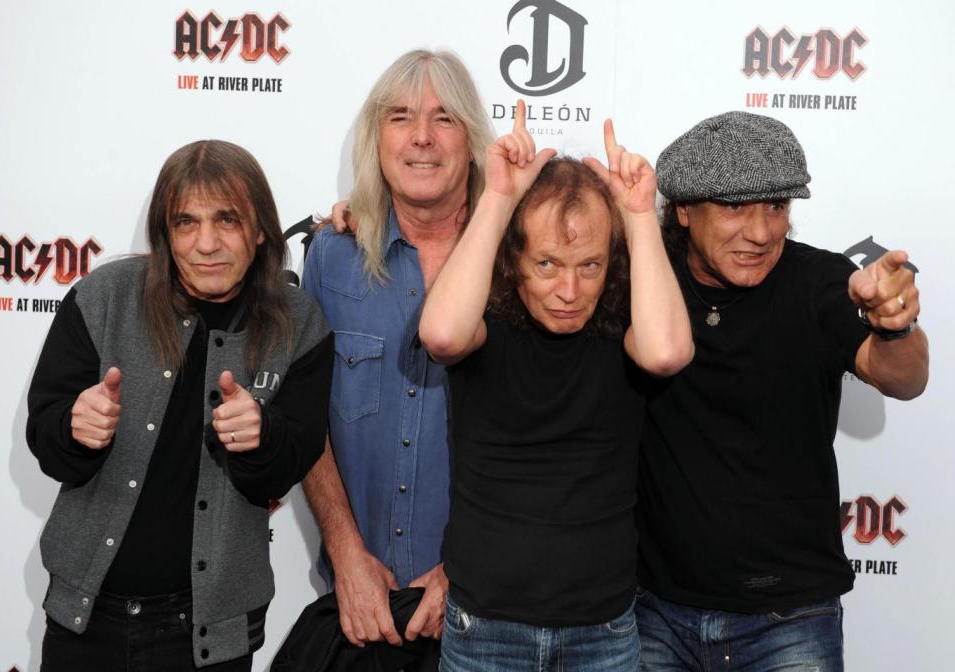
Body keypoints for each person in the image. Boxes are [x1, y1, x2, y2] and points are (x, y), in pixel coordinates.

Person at [635, 110, 929, 671]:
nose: (763, 231)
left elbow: (905, 379)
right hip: (655, 611)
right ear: (683, 211)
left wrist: (895, 325)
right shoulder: (647, 281)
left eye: (777, 206)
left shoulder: (820, 281)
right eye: (734, 207)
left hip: (790, 619)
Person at [27, 140, 334, 671]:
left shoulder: (298, 326)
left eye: (228, 220)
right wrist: (74, 429)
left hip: (210, 638)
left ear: (260, 230)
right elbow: (48, 442)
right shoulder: (104, 298)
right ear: (165, 233)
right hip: (84, 620)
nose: (206, 243)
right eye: (186, 222)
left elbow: (283, 472)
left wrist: (259, 438)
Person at [418, 102, 693, 670]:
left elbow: (667, 354)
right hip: (484, 632)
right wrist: (497, 198)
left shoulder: (623, 331)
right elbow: (440, 336)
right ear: (513, 258)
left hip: (604, 633)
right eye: (546, 264)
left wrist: (640, 216)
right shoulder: (482, 328)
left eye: (589, 266)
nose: (569, 289)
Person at [300, 49, 494, 646]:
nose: (422, 139)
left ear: (471, 140)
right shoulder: (330, 258)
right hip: (359, 609)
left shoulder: (519, 264)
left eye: (445, 118)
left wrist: (468, 567)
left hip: (490, 611)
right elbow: (304, 423)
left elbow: (549, 439)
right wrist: (346, 553)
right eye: (401, 117)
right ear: (376, 138)